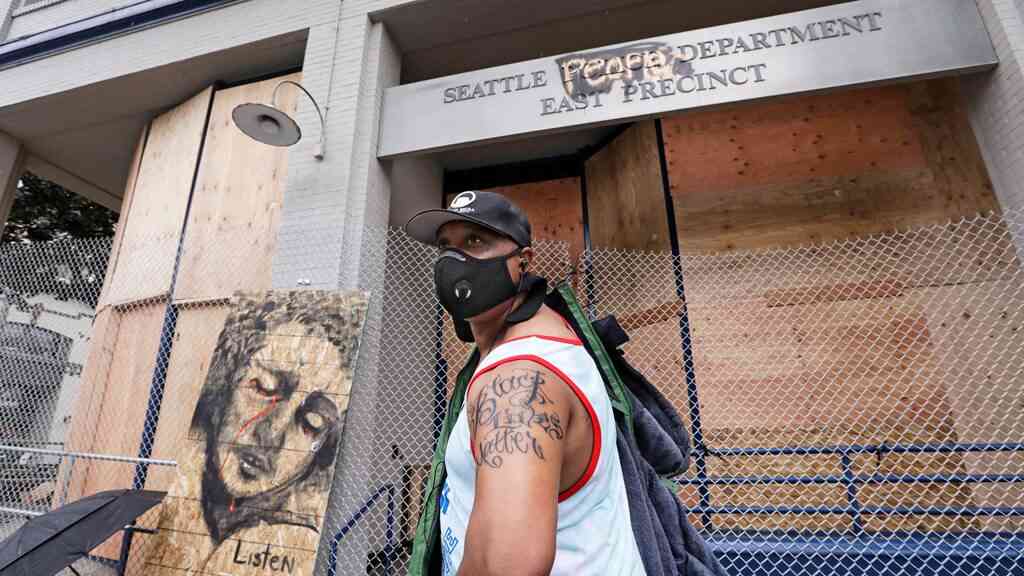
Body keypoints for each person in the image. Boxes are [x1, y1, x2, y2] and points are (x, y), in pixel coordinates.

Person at [405, 191, 645, 576]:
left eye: (475, 242)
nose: (454, 261)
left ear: (523, 262)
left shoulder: (519, 382)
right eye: (446, 246)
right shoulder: (533, 337)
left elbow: (508, 567)